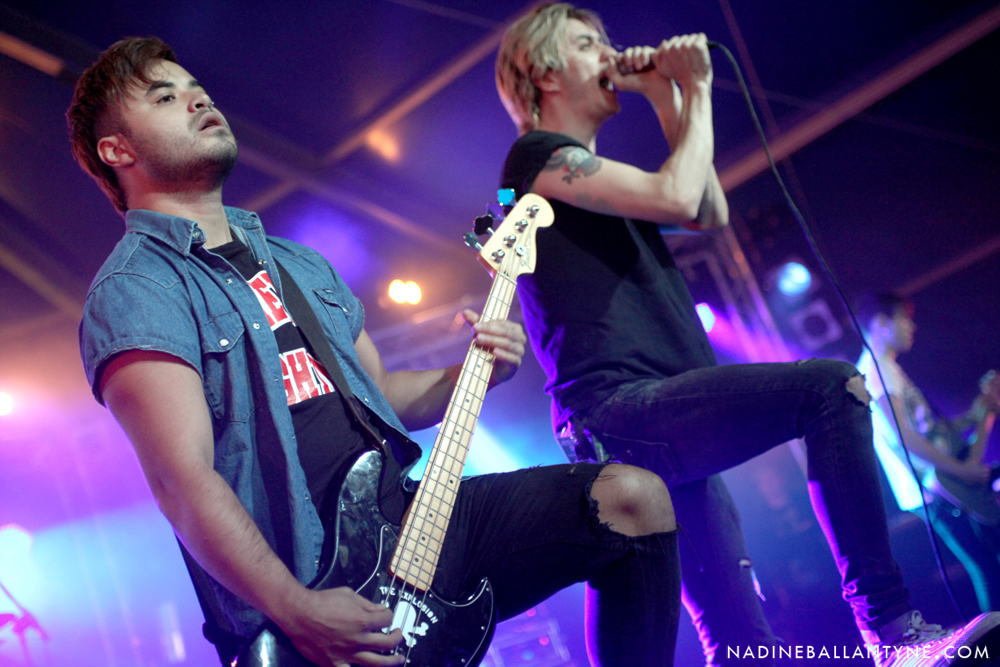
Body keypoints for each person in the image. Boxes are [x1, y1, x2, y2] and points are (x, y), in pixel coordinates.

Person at [68, 36, 683, 667]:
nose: (198, 100)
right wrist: (294, 606)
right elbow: (181, 477)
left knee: (634, 499)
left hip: (409, 524)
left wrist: (475, 371)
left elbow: (384, 393)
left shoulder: (298, 264)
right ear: (117, 151)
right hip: (307, 584)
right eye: (165, 97)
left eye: (197, 88)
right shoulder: (138, 287)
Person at [494, 4, 1000, 665]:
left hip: (654, 415)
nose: (610, 53)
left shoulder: (593, 179)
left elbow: (705, 208)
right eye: (589, 44)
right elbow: (681, 197)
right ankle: (892, 629)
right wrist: (695, 85)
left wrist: (672, 98)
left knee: (742, 644)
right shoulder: (536, 159)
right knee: (830, 388)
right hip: (619, 410)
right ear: (546, 73)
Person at [858, 293, 1000, 613]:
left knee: (989, 561)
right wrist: (962, 470)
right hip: (935, 490)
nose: (912, 326)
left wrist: (976, 415)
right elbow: (903, 436)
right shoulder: (877, 370)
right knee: (986, 565)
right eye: (903, 319)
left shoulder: (887, 368)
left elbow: (925, 431)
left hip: (940, 484)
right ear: (880, 323)